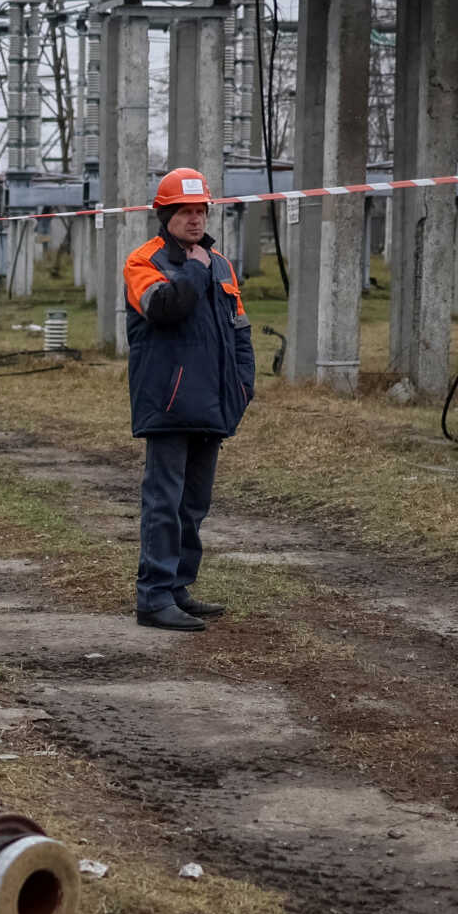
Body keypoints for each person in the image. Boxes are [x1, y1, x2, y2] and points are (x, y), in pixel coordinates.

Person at [122, 167, 256, 632]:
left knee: (194, 503)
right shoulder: (145, 262)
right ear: (165, 214)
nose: (195, 219)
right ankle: (153, 597)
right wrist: (195, 269)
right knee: (164, 500)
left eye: (201, 210)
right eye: (185, 211)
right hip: (168, 401)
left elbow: (239, 328)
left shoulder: (221, 264)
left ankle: (178, 588)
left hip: (213, 402)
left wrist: (242, 384)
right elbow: (165, 308)